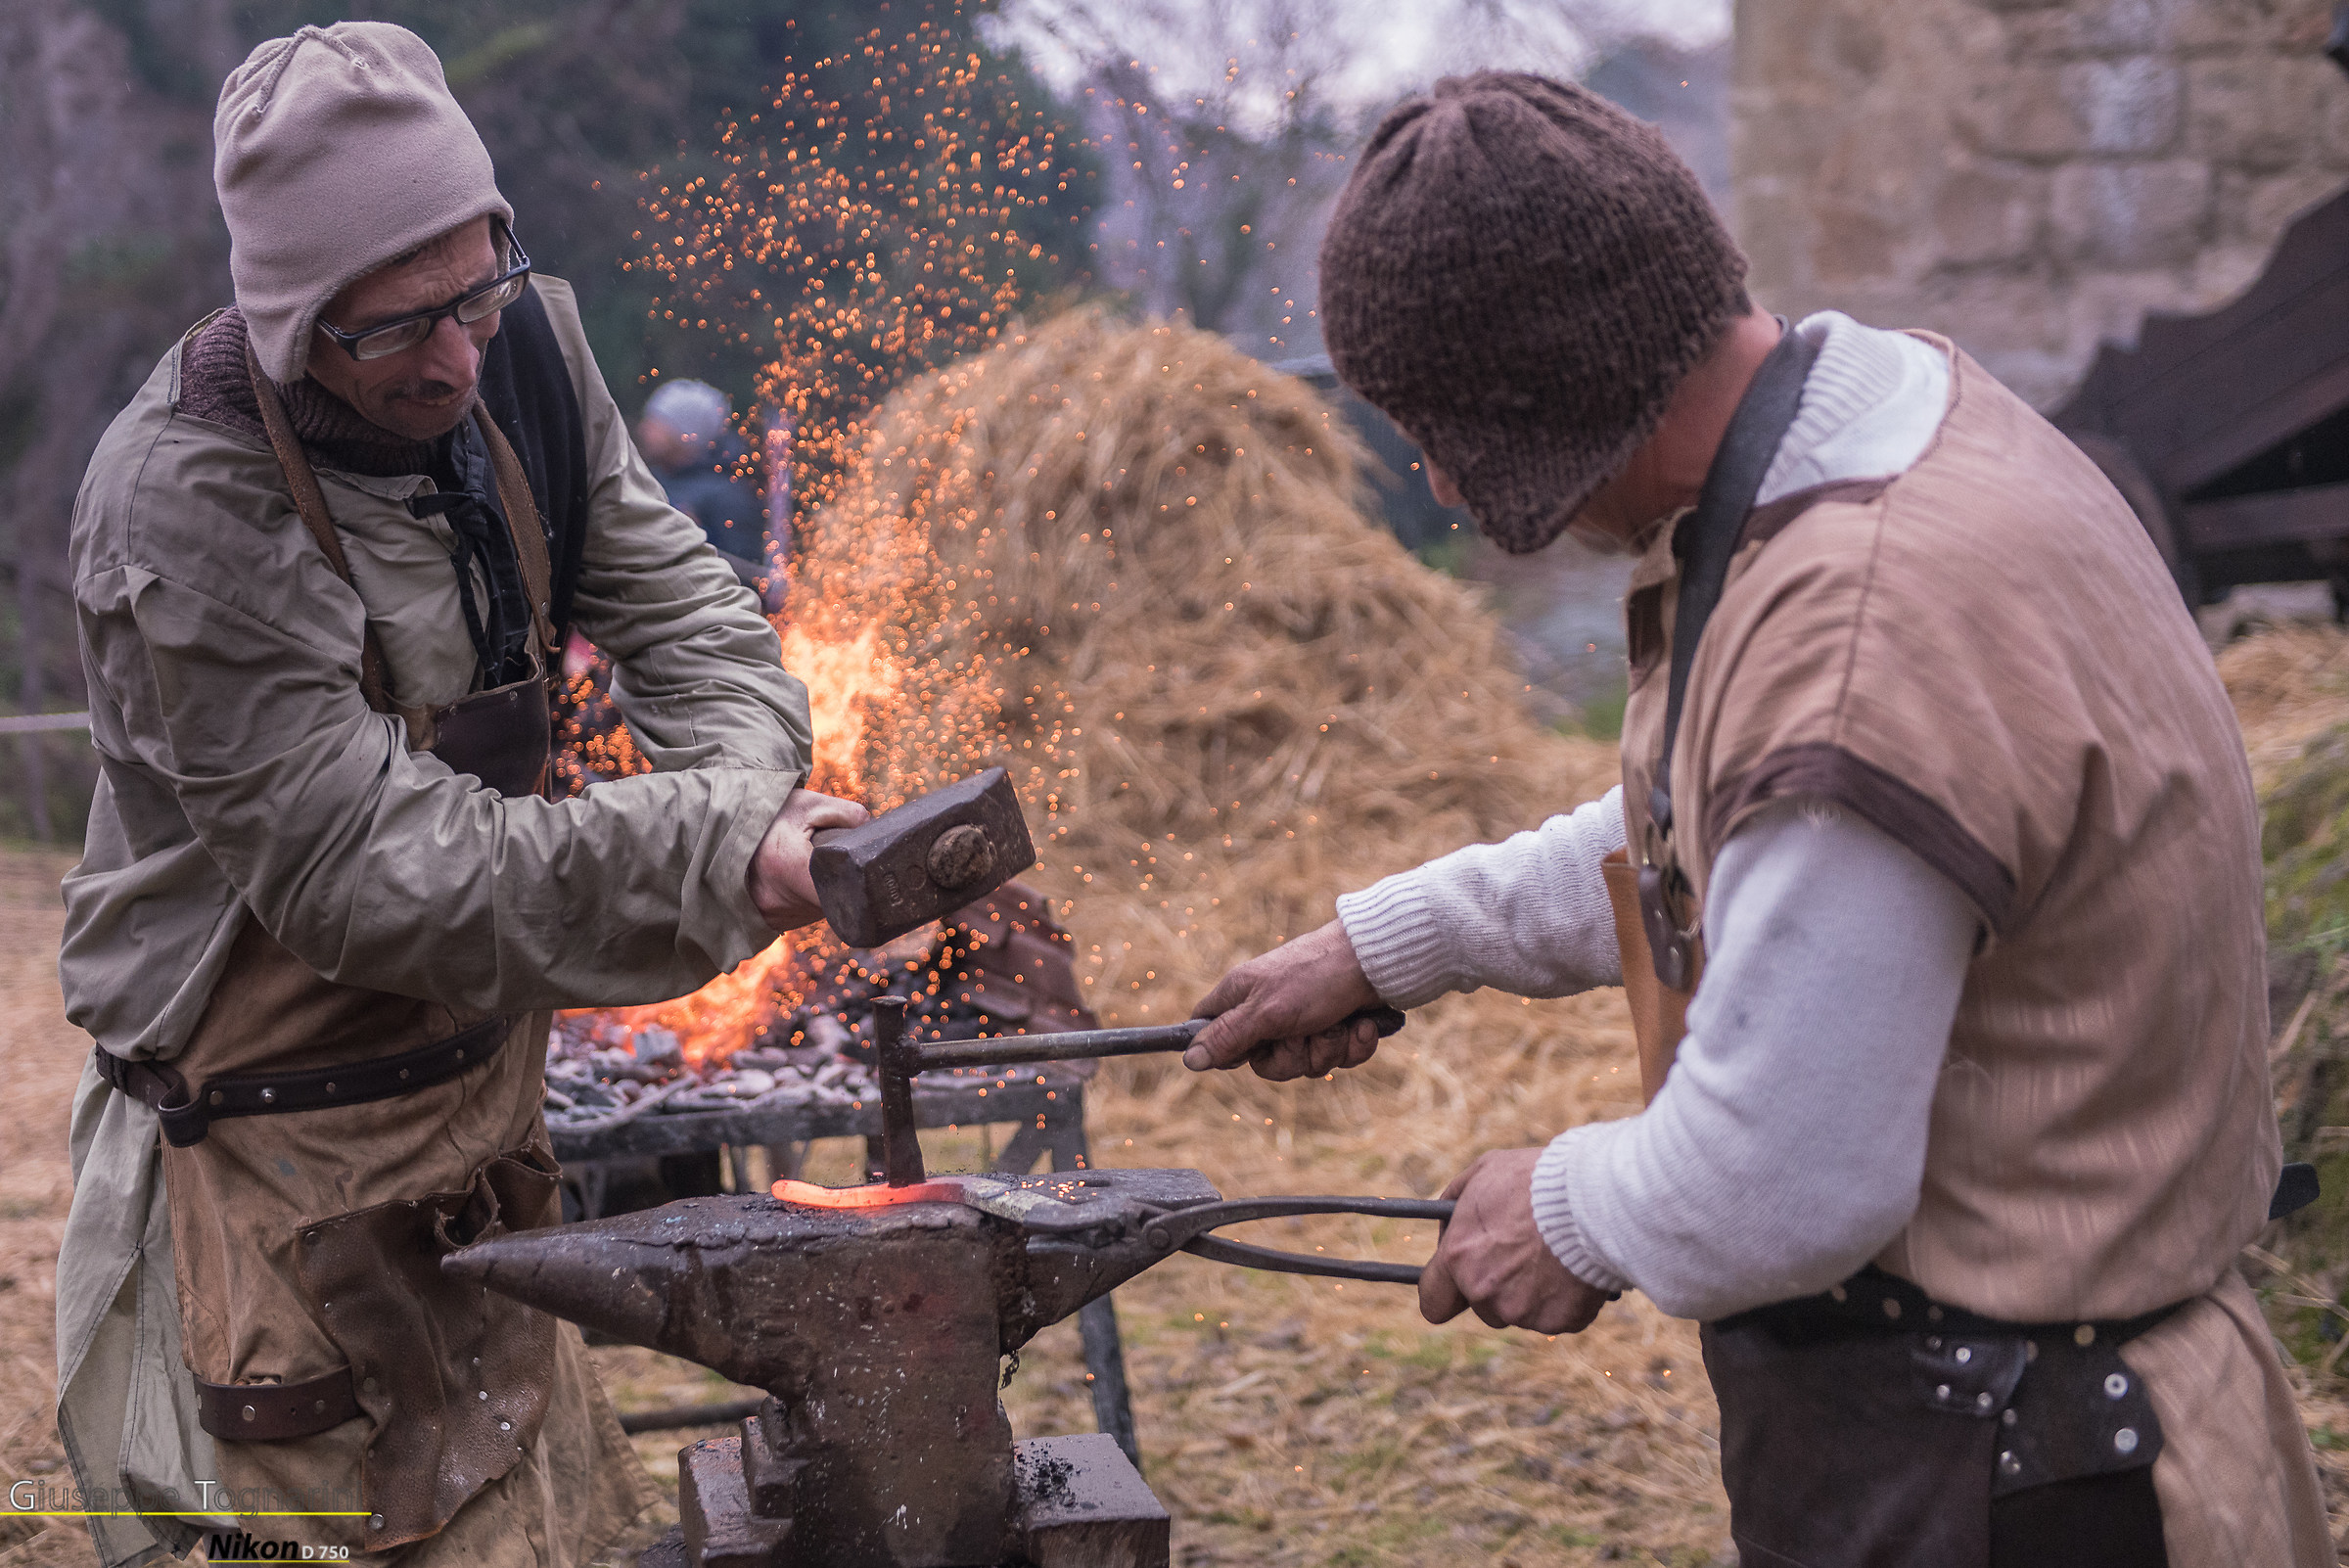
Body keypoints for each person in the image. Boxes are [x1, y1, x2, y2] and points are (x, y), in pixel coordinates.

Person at [1185, 72, 2326, 1567]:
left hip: (2029, 1478)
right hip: (2000, 1430)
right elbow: (1737, 817)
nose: (1438, 477)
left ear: (1526, 416)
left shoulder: (1858, 631)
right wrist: (1399, 940)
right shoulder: (1882, 428)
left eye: (1434, 431)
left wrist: (1565, 1205)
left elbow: (1782, 1178)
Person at [52, 23, 863, 1568]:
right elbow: (363, 872)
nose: (455, 357)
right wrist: (713, 849)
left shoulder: (527, 357)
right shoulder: (191, 496)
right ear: (294, 326)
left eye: (478, 290)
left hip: (483, 1117)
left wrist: (749, 800)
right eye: (400, 327)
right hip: (276, 1161)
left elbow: (684, 613)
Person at [635, 379, 767, 586]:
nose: (644, 429)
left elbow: (746, 576)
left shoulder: (727, 495)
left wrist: (698, 536)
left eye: (657, 422)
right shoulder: (648, 478)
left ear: (687, 432)